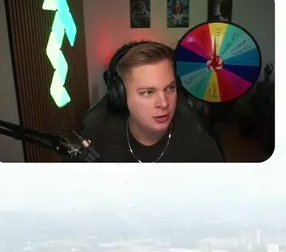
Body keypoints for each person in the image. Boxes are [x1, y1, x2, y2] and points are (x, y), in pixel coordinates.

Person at [81, 42, 223, 163]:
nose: (164, 103)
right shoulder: (96, 141)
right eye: (148, 92)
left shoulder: (200, 145)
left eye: (170, 88)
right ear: (121, 95)